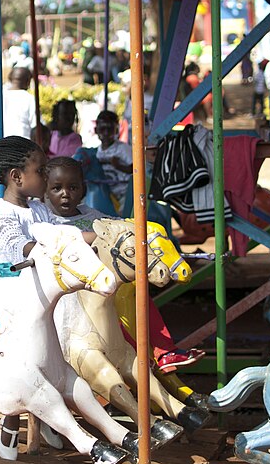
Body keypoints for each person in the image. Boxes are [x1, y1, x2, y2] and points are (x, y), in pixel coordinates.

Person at [0, 136, 98, 460]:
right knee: (19, 359)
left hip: (40, 291)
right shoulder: (1, 214)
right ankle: (9, 421)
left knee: (52, 353)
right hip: (10, 291)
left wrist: (101, 234)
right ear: (17, 177)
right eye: (40, 170)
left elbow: (63, 234)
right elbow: (27, 248)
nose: (46, 176)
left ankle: (48, 415)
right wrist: (64, 247)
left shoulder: (39, 208)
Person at [43, 157, 204, 372]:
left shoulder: (91, 215)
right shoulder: (48, 221)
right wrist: (100, 236)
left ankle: (163, 351)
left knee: (136, 290)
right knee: (113, 311)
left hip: (104, 284)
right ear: (46, 191)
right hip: (75, 293)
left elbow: (119, 228)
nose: (65, 194)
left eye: (73, 188)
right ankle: (135, 354)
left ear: (83, 189)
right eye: (57, 188)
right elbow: (67, 239)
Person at [0, 66, 37, 143]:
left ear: (10, 79)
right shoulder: (29, 98)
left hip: (1, 146)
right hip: (23, 146)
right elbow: (36, 127)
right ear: (28, 81)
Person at [95, 110, 132, 209]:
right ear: (96, 130)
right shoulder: (97, 151)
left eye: (110, 129)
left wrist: (118, 166)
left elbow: (136, 168)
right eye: (102, 129)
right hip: (108, 194)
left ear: (116, 130)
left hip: (124, 194)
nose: (106, 133)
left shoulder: (122, 148)